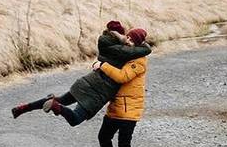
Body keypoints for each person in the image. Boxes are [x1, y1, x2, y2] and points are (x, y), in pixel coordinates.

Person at [11, 21, 151, 125]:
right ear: (120, 35)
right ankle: (56, 107)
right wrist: (144, 46)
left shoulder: (105, 44)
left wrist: (123, 38)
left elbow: (129, 46)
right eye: (127, 37)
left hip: (87, 82)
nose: (128, 40)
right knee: (75, 119)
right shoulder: (124, 51)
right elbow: (141, 51)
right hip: (99, 91)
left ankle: (23, 108)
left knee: (61, 99)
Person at [88, 27, 149, 147]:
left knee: (124, 143)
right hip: (116, 106)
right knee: (103, 137)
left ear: (137, 43)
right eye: (127, 37)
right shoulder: (127, 55)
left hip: (129, 110)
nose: (127, 41)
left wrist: (103, 65)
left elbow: (122, 76)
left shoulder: (139, 60)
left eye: (131, 39)